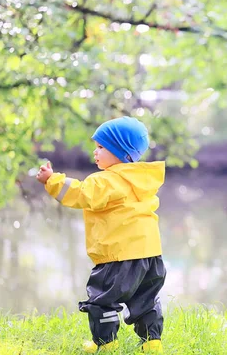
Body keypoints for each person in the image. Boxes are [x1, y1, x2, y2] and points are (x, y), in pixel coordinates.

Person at [36, 116, 166, 353]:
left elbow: (81, 194)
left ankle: (105, 344)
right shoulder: (143, 180)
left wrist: (52, 180)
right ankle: (152, 342)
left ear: (121, 151)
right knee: (145, 299)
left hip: (119, 255)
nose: (95, 152)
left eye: (101, 147)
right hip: (151, 254)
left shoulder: (107, 180)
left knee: (102, 299)